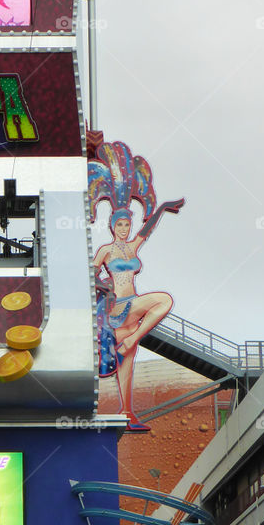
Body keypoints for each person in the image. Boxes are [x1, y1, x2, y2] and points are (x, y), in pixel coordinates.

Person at [90, 139, 183, 430]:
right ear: (112, 226)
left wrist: (164, 207)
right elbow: (90, 275)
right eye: (120, 225)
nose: (125, 229)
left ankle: (127, 412)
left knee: (128, 362)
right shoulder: (106, 251)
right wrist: (101, 284)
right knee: (162, 302)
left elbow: (149, 227)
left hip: (132, 310)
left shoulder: (133, 248)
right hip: (119, 306)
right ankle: (129, 340)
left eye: (127, 225)